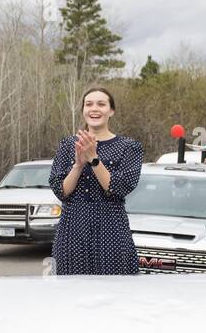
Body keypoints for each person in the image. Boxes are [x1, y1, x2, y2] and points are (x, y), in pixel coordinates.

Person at [47, 86, 143, 274]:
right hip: (73, 228)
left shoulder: (129, 147)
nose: (94, 109)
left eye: (101, 104)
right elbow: (61, 191)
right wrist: (78, 165)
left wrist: (94, 158)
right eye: (89, 104)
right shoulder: (68, 145)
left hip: (111, 227)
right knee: (71, 290)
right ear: (83, 110)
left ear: (111, 111)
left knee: (113, 290)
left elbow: (118, 188)